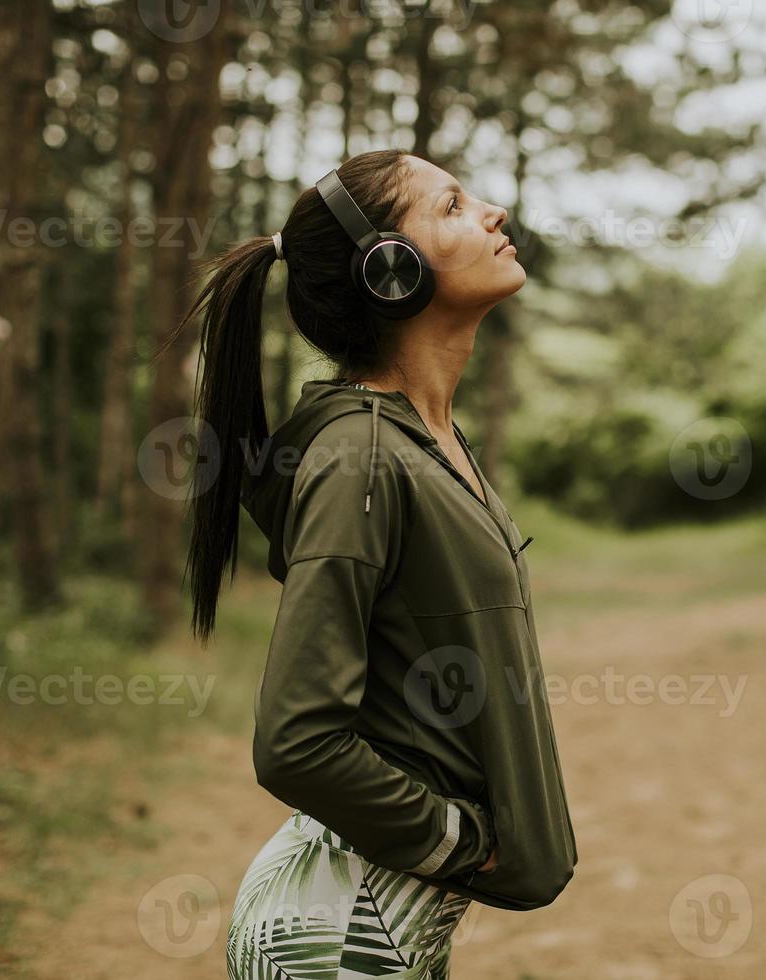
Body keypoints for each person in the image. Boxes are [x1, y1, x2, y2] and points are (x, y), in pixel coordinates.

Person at [169, 149, 577, 980]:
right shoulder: (359, 456)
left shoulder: (430, 443)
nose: (493, 212)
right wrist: (456, 839)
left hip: (382, 925)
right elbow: (296, 742)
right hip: (342, 934)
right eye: (454, 206)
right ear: (390, 270)